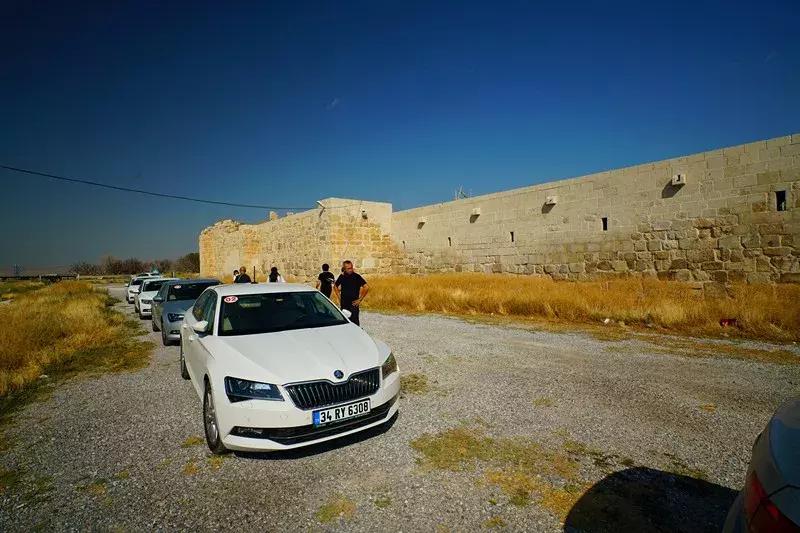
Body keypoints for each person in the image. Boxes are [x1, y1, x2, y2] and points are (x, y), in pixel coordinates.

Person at [334, 260, 369, 326]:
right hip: (344, 304)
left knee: (355, 323)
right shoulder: (342, 276)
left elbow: (366, 287)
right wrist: (339, 297)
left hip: (353, 304)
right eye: (348, 268)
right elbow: (335, 286)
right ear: (344, 269)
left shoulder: (357, 276)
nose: (351, 270)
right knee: (345, 323)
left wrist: (360, 299)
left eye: (351, 267)